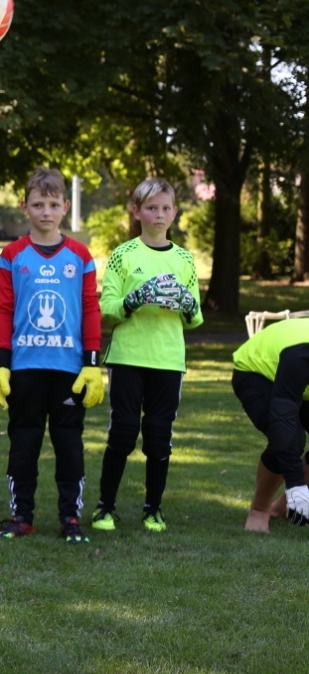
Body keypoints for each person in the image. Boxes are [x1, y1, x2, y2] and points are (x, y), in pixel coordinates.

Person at [0, 167, 104, 543]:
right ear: (24, 207)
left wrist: (92, 365)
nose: (46, 212)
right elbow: (3, 310)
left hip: (70, 369)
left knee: (69, 443)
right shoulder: (11, 255)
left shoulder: (80, 256)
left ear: (65, 206)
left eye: (53, 204)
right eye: (38, 204)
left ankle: (70, 518)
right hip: (25, 367)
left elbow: (90, 309)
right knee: (24, 442)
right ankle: (21, 516)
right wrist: (2, 365)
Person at [92, 178, 203, 532]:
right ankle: (104, 507)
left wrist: (186, 304)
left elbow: (196, 316)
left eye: (166, 208)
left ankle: (153, 508)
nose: (159, 214)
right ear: (136, 211)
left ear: (175, 212)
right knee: (123, 433)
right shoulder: (124, 254)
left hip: (168, 360)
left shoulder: (184, 258)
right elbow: (107, 307)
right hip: (128, 357)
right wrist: (134, 299)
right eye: (151, 208)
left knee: (158, 437)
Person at [232, 318, 309, 532]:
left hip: (301, 383)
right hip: (258, 372)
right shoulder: (301, 355)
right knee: (290, 437)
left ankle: (283, 507)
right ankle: (260, 509)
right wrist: (296, 484)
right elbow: (283, 416)